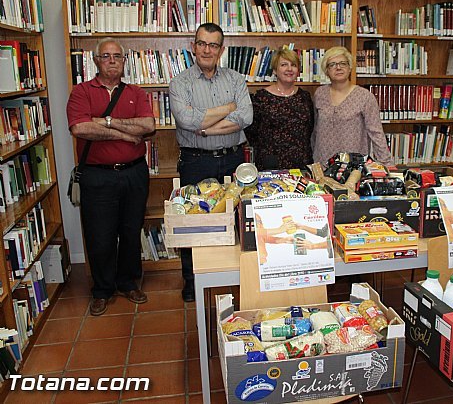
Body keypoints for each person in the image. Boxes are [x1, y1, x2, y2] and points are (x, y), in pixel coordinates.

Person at [66, 38, 155, 316]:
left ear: (125, 61)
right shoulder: (81, 92)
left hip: (134, 173)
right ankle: (102, 290)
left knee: (130, 231)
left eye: (117, 56)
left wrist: (103, 121)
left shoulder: (136, 92)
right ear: (95, 61)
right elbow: (80, 128)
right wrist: (124, 133)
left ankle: (128, 282)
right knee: (100, 236)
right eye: (106, 56)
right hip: (97, 176)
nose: (112, 61)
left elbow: (148, 125)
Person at [169, 22, 253, 302]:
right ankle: (192, 281)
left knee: (239, 219)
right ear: (193, 47)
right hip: (196, 161)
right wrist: (228, 108)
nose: (207, 49)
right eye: (202, 43)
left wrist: (205, 126)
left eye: (213, 45)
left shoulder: (235, 79)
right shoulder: (180, 82)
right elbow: (186, 120)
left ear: (221, 49)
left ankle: (236, 275)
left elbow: (246, 117)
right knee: (193, 222)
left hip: (233, 159)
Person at [312, 46, 393, 166]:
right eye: (332, 64)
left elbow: (376, 133)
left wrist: (387, 164)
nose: (338, 67)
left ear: (350, 67)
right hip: (322, 164)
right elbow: (315, 129)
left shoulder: (365, 97)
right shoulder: (320, 93)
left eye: (343, 63)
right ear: (326, 71)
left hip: (352, 166)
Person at [245, 48, 314, 170]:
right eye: (284, 65)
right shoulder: (261, 97)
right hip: (270, 162)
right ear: (275, 70)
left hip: (301, 162)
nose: (289, 69)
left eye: (293, 65)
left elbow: (310, 128)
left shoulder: (305, 97)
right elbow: (251, 132)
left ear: (298, 70)